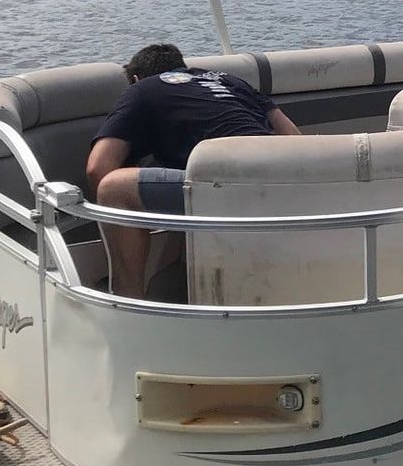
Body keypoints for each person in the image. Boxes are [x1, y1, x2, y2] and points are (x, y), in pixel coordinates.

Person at [85, 43, 301, 299]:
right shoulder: (232, 81)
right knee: (188, 181)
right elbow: (296, 139)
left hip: (231, 189)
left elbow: (98, 168)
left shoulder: (143, 89)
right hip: (283, 183)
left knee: (113, 188)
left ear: (135, 79)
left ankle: (128, 298)